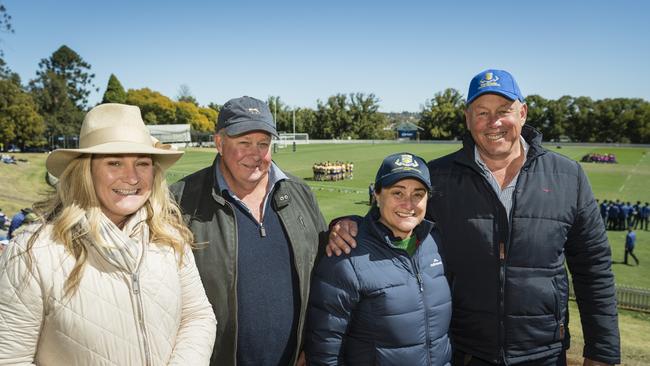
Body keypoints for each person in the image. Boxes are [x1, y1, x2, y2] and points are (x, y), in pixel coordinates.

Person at [328, 70, 620, 365]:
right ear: (468, 118)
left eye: (504, 110)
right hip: (465, 352)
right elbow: (394, 219)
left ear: (522, 112)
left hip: (544, 353)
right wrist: (349, 223)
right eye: (482, 112)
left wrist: (602, 352)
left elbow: (593, 268)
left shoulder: (568, 176)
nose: (494, 122)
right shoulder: (439, 177)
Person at [0, 103, 216, 365]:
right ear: (85, 172)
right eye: (114, 163)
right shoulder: (32, 253)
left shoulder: (169, 238)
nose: (132, 177)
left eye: (142, 163)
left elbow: (198, 316)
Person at [170, 96, 328, 366]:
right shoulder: (179, 202)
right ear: (219, 143)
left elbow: (325, 277)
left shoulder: (300, 193)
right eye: (244, 143)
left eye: (263, 144)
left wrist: (312, 345)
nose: (256, 154)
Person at [306, 153, 451, 365]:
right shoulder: (345, 255)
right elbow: (324, 348)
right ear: (377, 194)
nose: (408, 204)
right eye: (397, 193)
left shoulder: (435, 243)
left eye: (418, 194)